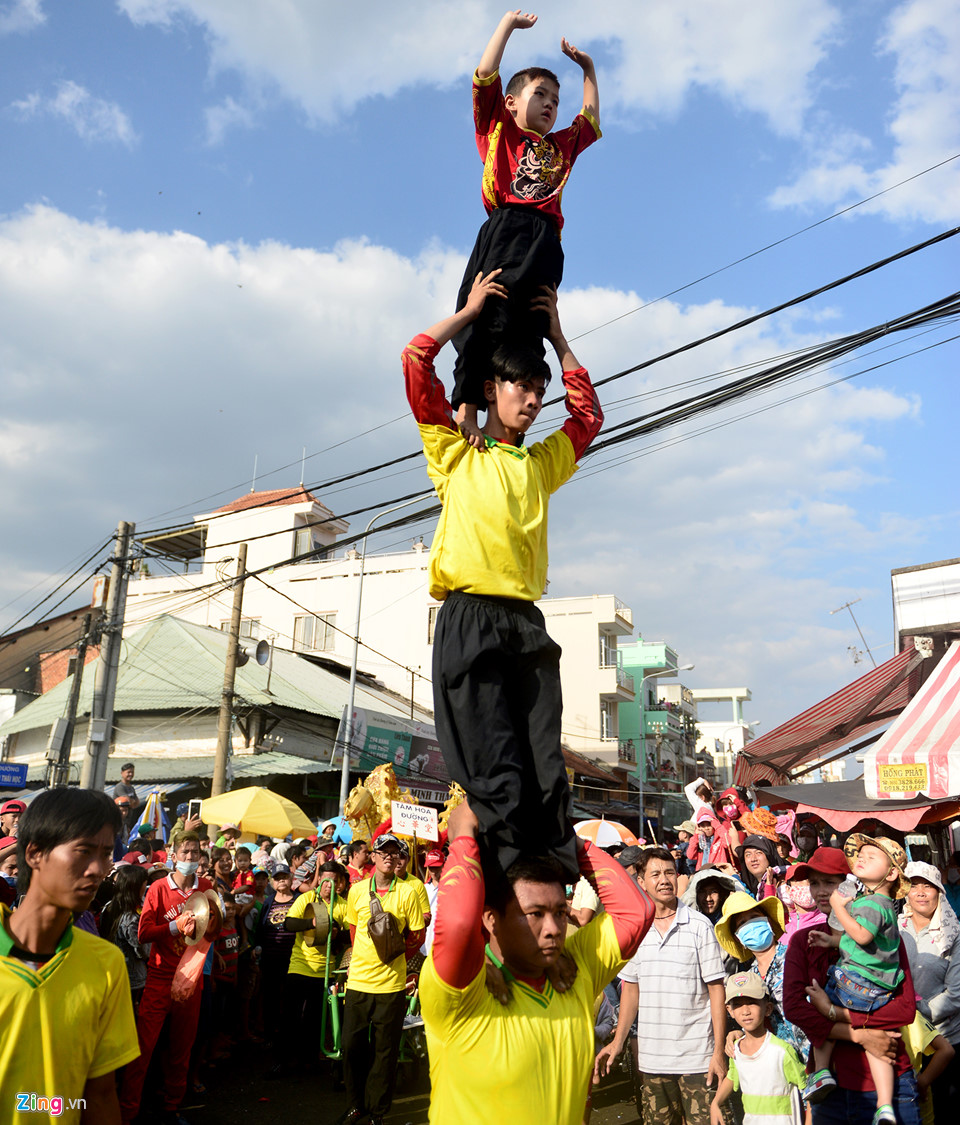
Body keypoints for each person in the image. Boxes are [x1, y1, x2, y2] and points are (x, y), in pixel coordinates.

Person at [403, 272, 602, 879]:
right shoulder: (457, 452)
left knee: (545, 765)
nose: (535, 399)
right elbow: (415, 361)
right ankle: (499, 880)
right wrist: (468, 312)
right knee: (496, 769)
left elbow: (588, 417)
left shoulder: (541, 465)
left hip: (526, 623)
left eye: (542, 389)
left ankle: (553, 887)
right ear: (492, 389)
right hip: (470, 620)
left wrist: (558, 335)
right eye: (523, 385)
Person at [420, 799, 653, 1124]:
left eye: (560, 912)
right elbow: (458, 924)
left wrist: (564, 842)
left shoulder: (573, 970)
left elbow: (637, 912)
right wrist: (462, 837)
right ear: (490, 919)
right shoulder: (466, 991)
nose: (554, 929)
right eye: (534, 914)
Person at [450, 8, 601, 446]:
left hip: (546, 242)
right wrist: (507, 26)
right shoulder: (496, 124)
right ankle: (468, 410)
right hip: (506, 230)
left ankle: (513, 429)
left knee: (531, 323)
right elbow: (484, 73)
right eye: (541, 95)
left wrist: (588, 69)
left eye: (556, 99)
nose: (551, 104)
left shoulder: (561, 146)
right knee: (485, 314)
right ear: (513, 102)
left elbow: (589, 116)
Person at [0, 788, 139, 1124]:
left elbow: (100, 1095)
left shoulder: (106, 963)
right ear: (34, 853)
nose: (98, 869)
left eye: (106, 854)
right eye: (83, 851)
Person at [782, 845, 920, 1125]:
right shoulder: (803, 941)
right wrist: (859, 1034)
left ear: (851, 884)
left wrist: (832, 1014)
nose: (822, 891)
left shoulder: (887, 937)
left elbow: (905, 1010)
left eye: (830, 883)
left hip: (890, 1085)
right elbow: (795, 1008)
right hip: (830, 1083)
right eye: (815, 883)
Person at [595, 847, 727, 1125]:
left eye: (669, 872)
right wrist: (617, 1043)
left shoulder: (699, 926)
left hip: (698, 1059)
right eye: (655, 874)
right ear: (641, 883)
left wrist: (717, 1053)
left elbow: (717, 990)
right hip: (653, 1060)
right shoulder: (636, 930)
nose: (664, 879)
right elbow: (631, 991)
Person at [119, 830, 221, 1125]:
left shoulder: (206, 886)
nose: (190, 858)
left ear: (201, 857)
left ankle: (171, 1106)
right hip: (160, 978)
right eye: (185, 853)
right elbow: (143, 934)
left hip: (191, 978)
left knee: (182, 1048)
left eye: (195, 853)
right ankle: (127, 1112)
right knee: (143, 1048)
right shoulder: (158, 889)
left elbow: (212, 930)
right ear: (173, 855)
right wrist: (175, 927)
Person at [336, 834, 425, 1125]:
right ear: (372, 856)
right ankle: (355, 1105)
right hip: (359, 982)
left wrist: (393, 956)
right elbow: (353, 929)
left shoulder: (409, 892)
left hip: (391, 985)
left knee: (385, 1053)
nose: (389, 856)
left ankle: (377, 1111)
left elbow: (417, 934)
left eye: (394, 852)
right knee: (351, 1047)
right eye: (382, 851)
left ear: (399, 858)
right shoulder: (357, 891)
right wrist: (364, 958)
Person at [897, 860, 960, 1119]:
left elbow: (956, 994)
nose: (921, 892)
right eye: (914, 886)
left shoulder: (954, 934)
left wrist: (916, 1015)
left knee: (945, 1110)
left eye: (928, 886)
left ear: (939, 892)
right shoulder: (894, 928)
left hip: (944, 1039)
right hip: (903, 1039)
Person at [714, 892, 808, 1060]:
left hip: (819, 1055)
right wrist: (739, 1032)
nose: (750, 924)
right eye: (742, 922)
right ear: (738, 937)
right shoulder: (749, 976)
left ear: (768, 921)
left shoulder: (797, 956)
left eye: (754, 916)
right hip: (782, 1064)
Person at [710, 973, 806, 1125]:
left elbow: (807, 1090)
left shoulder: (781, 1051)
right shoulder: (736, 1049)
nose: (745, 1010)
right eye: (738, 1005)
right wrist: (715, 1103)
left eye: (751, 1002)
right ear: (730, 1011)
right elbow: (732, 1076)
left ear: (768, 1008)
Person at [100, 862, 152, 1011]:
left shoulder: (109, 906)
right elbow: (141, 949)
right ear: (136, 887)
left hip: (113, 971)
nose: (146, 886)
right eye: (144, 883)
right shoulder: (132, 918)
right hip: (132, 976)